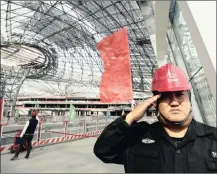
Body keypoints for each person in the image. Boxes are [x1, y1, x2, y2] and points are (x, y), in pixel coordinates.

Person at [94, 63, 217, 173]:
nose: (174, 102)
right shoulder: (136, 137)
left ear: (189, 100)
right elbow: (103, 151)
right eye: (166, 96)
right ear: (155, 103)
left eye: (180, 94)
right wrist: (130, 117)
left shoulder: (213, 138)